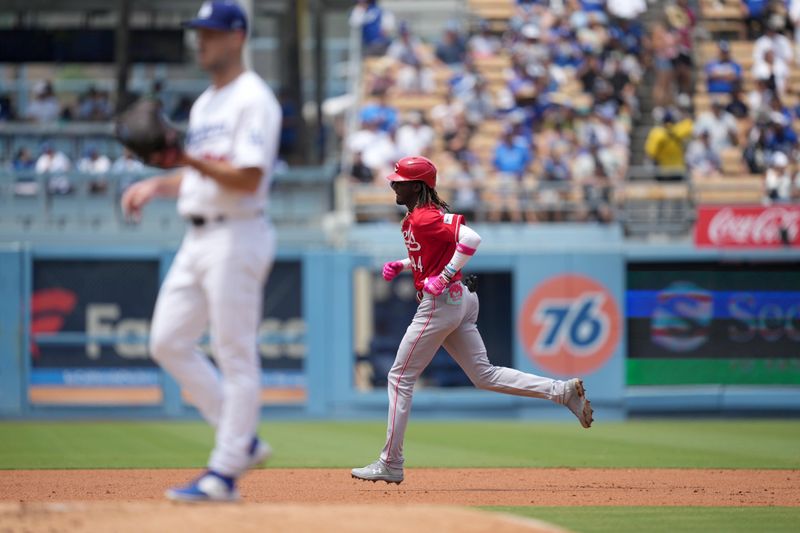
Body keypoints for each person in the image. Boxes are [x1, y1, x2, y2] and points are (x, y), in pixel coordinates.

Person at [120, 0, 280, 502]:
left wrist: (185, 158)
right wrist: (160, 183)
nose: (200, 40)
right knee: (166, 341)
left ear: (237, 37)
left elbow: (249, 174)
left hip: (238, 232)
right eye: (198, 32)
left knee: (234, 352)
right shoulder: (206, 103)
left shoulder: (254, 99)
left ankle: (224, 473)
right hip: (198, 235)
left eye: (210, 32)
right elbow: (200, 168)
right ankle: (242, 440)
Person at [350, 156, 593, 484]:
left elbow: (472, 239)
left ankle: (391, 462)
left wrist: (445, 274)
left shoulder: (424, 217)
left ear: (418, 185)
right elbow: (433, 252)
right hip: (460, 298)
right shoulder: (416, 219)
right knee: (484, 374)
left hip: (442, 301)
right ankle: (561, 391)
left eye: (401, 180)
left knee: (399, 378)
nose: (394, 184)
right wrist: (404, 264)